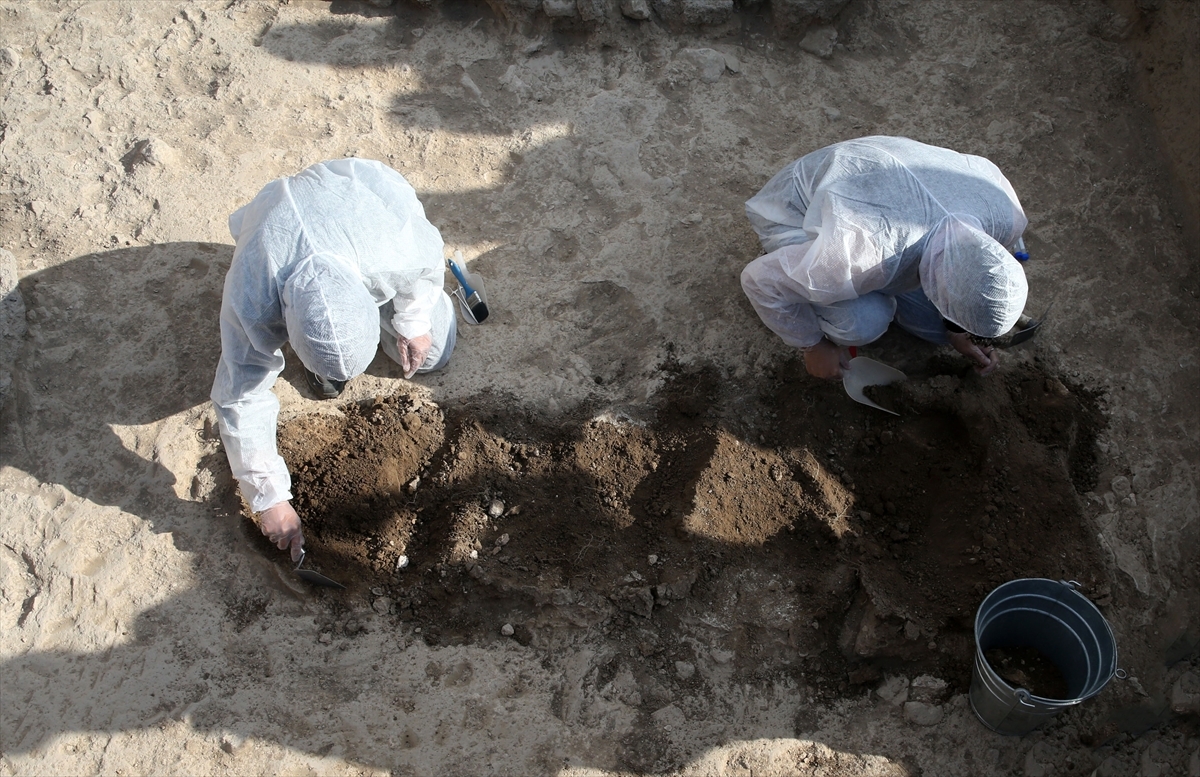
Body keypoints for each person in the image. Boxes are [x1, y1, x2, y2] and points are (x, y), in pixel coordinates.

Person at [211, 158, 457, 561]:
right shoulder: (252, 296)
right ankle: (322, 362)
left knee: (434, 351)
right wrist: (268, 496)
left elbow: (425, 263)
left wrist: (413, 322)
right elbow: (240, 395)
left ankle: (378, 332)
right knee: (325, 379)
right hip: (273, 224)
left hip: (353, 196)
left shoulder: (390, 248)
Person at [740, 136, 1029, 380]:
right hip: (796, 209)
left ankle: (926, 309)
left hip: (887, 184)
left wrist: (957, 328)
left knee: (936, 333)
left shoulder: (1007, 217)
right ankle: (794, 261)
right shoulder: (856, 256)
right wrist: (813, 346)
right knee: (863, 323)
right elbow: (759, 280)